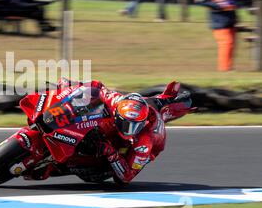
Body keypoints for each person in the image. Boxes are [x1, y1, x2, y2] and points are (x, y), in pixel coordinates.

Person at [12, 79, 193, 184]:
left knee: (104, 171)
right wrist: (68, 86)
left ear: (141, 124)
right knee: (89, 107)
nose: (127, 129)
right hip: (135, 108)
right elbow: (97, 87)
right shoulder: (116, 102)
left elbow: (126, 177)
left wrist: (111, 153)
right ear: (119, 113)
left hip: (127, 151)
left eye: (131, 126)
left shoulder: (145, 142)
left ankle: (56, 166)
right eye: (124, 123)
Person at [195, 0, 238, 72]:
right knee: (226, 43)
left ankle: (228, 68)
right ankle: (224, 69)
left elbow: (230, 1)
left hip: (230, 17)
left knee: (231, 44)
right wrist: (217, 6)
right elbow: (200, 0)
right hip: (218, 19)